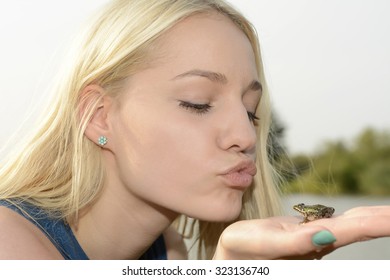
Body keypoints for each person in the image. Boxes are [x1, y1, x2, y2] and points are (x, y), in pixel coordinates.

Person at [0, 0, 390, 260]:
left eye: (251, 112)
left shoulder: (168, 250)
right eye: (198, 103)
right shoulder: (9, 247)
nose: (247, 136)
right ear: (99, 116)